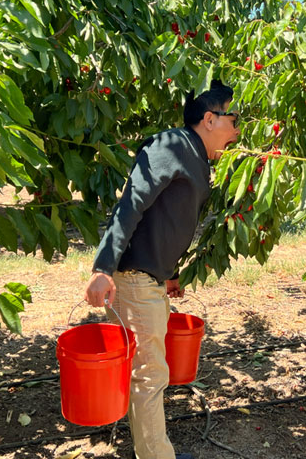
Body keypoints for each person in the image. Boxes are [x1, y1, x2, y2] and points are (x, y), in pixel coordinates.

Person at [84, 80, 241, 459]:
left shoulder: (195, 157)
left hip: (148, 278)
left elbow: (166, 216)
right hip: (133, 281)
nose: (237, 132)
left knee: (148, 371)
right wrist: (103, 266)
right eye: (234, 120)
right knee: (150, 375)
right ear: (209, 119)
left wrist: (168, 271)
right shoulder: (169, 147)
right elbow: (131, 204)